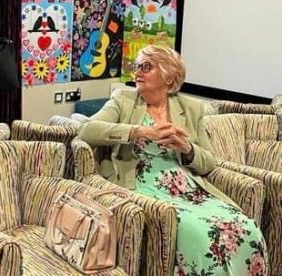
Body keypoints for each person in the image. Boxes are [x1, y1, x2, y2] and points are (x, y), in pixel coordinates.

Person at [79, 45, 267, 275]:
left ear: (169, 77)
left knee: (246, 227)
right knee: (201, 233)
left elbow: (208, 162)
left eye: (146, 66)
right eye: (136, 66)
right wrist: (139, 131)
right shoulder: (124, 100)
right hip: (142, 183)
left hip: (186, 187)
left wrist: (187, 148)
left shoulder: (191, 108)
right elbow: (86, 130)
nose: (137, 72)